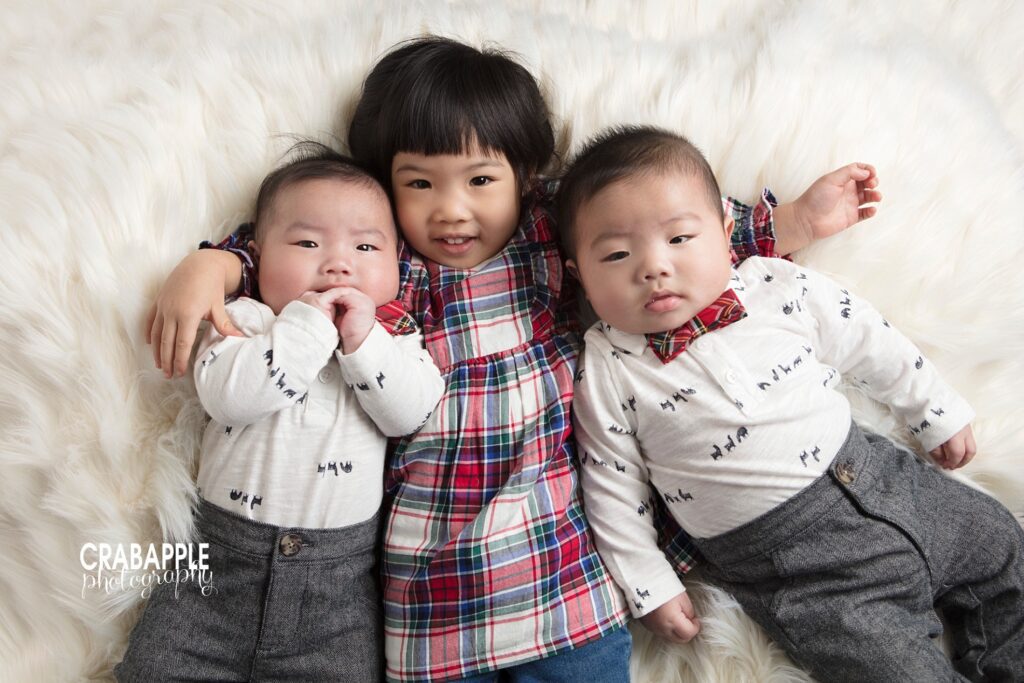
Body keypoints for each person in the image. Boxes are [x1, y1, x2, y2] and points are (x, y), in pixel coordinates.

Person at [145, 37, 880, 682]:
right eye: (419, 183)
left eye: (480, 180)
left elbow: (665, 235)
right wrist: (216, 263)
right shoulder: (387, 263)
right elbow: (306, 239)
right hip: (429, 579)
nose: (452, 210)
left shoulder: (551, 235)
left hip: (559, 559)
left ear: (526, 178)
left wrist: (788, 223)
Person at [561, 125, 1024, 682]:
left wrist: (933, 410)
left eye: (680, 239)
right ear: (579, 279)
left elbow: (867, 336)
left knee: (1000, 544)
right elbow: (610, 483)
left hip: (886, 478)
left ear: (728, 234)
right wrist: (649, 585)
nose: (654, 267)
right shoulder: (609, 366)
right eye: (615, 254)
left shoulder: (772, 285)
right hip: (801, 573)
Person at [117, 146, 445, 682]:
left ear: (397, 266)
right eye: (307, 242)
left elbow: (409, 414)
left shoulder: (396, 339)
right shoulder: (243, 321)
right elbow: (230, 397)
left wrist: (362, 340)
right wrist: (308, 327)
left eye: (365, 246)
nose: (338, 262)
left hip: (337, 595)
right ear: (256, 256)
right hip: (212, 577)